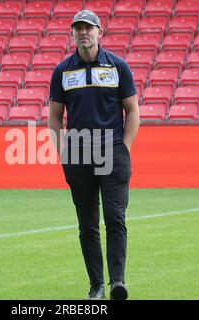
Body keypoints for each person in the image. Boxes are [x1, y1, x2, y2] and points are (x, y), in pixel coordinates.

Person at [48, 10, 140, 300]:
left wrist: (124, 148)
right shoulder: (62, 71)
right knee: (87, 224)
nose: (83, 33)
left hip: (113, 152)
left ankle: (117, 283)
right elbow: (54, 117)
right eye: (78, 29)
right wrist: (62, 152)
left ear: (101, 32)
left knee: (115, 218)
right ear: (72, 34)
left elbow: (132, 111)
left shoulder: (118, 67)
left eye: (88, 28)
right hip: (78, 155)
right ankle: (96, 286)